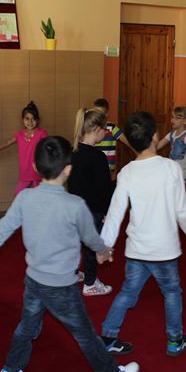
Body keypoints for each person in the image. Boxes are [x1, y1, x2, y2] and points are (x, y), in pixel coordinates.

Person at [0, 136, 139, 372]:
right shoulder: (75, 205)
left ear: (35, 167)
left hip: (33, 281)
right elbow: (92, 238)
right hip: (61, 286)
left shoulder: (25, 198)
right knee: (84, 332)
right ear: (68, 169)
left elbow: (1, 230)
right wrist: (104, 252)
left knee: (27, 327)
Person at [99, 112, 186, 357]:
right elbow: (182, 211)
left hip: (137, 250)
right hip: (165, 251)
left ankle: (108, 336)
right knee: (172, 292)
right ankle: (175, 340)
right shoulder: (171, 168)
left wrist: (103, 246)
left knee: (127, 293)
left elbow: (115, 214)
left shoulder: (126, 173)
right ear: (155, 136)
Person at [68, 108, 114, 296]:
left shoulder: (73, 152)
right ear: (96, 129)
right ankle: (90, 283)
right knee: (90, 247)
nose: (106, 133)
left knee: (75, 244)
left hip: (74, 209)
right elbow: (104, 190)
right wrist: (107, 212)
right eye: (105, 129)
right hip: (92, 211)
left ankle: (71, 274)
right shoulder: (98, 157)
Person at [0, 101, 48, 195]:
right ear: (22, 120)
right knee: (19, 194)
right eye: (27, 119)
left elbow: (49, 146)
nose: (30, 122)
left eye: (33, 119)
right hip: (24, 173)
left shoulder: (42, 133)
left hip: (37, 172)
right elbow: (7, 142)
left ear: (37, 120)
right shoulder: (19, 134)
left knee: (38, 197)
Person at [92, 98, 134, 176]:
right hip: (94, 164)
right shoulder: (92, 127)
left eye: (101, 114)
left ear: (106, 114)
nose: (98, 116)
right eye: (96, 113)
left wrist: (136, 150)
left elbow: (125, 140)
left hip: (109, 166)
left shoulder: (112, 127)